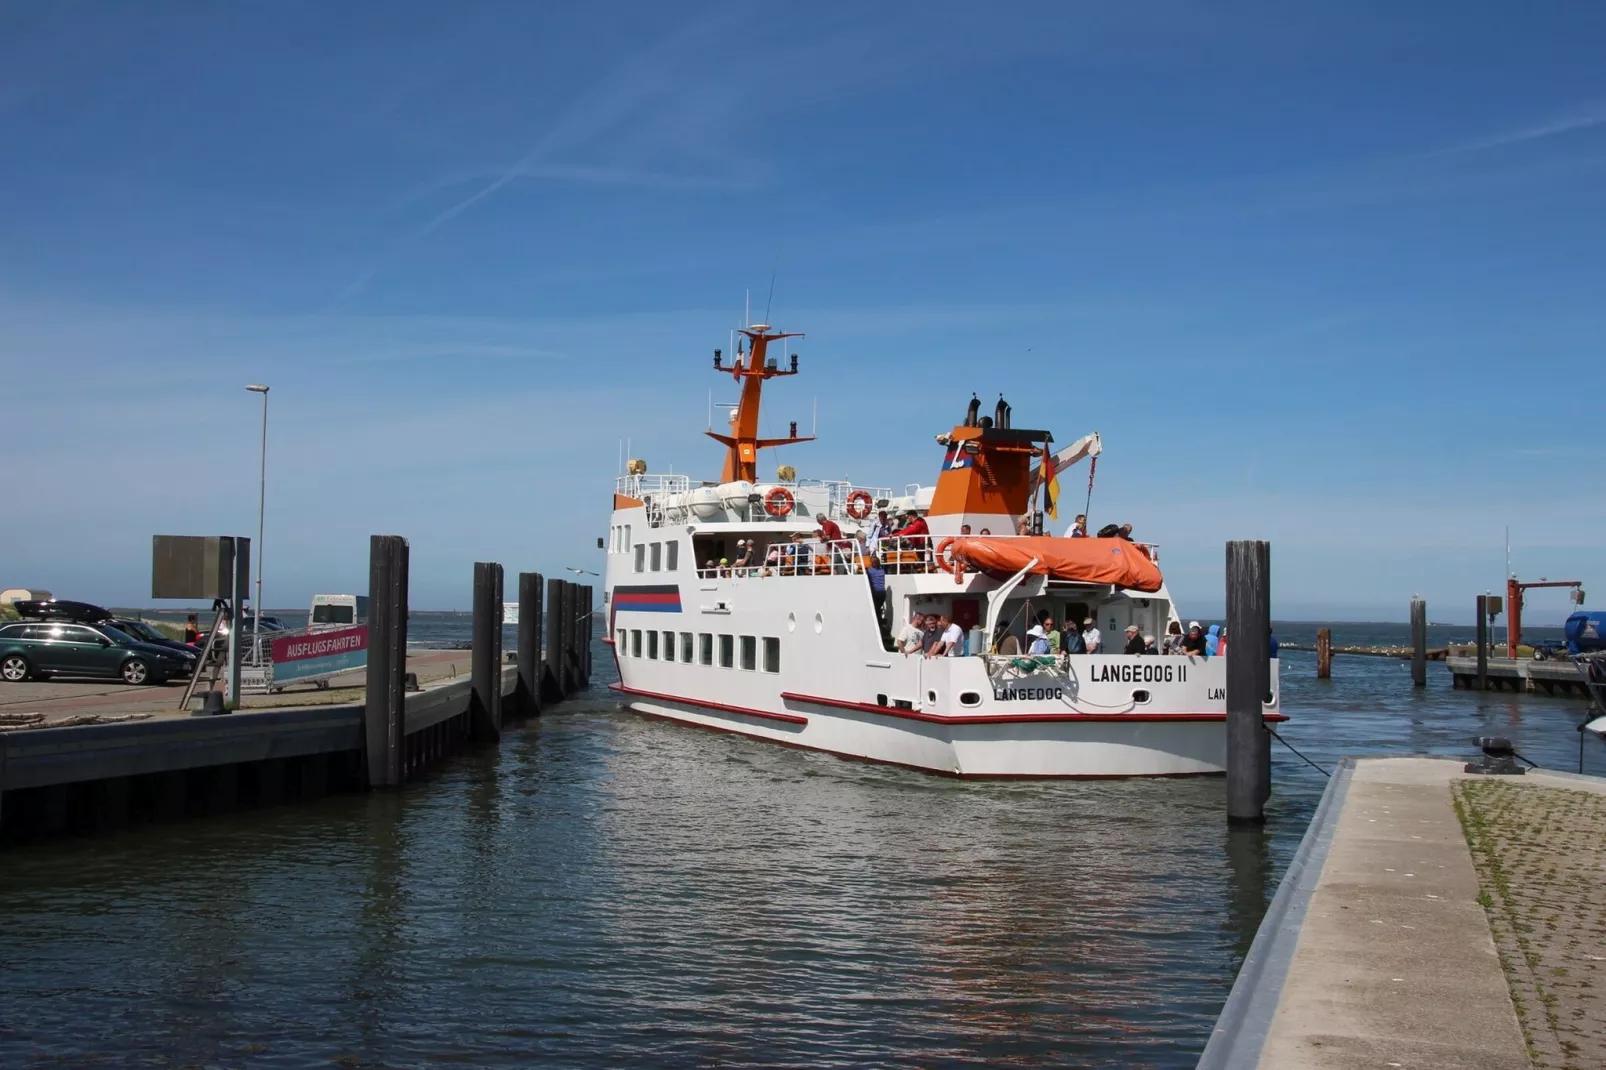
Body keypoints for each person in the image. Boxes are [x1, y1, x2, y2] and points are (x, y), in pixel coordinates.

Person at [866, 554, 887, 625]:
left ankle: (879, 625)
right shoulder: (882, 570)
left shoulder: (870, 571)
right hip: (883, 593)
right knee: (877, 609)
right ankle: (881, 624)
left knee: (875, 610)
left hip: (875, 592)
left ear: (872, 563)